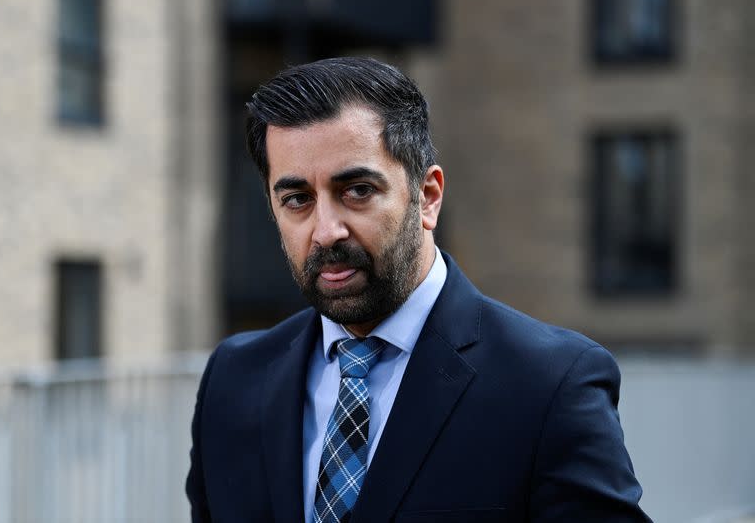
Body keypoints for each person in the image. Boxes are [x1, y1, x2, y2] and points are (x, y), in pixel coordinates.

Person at [186, 57, 651, 523]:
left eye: (358, 190)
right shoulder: (233, 382)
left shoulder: (550, 384)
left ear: (427, 196)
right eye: (297, 200)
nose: (326, 231)